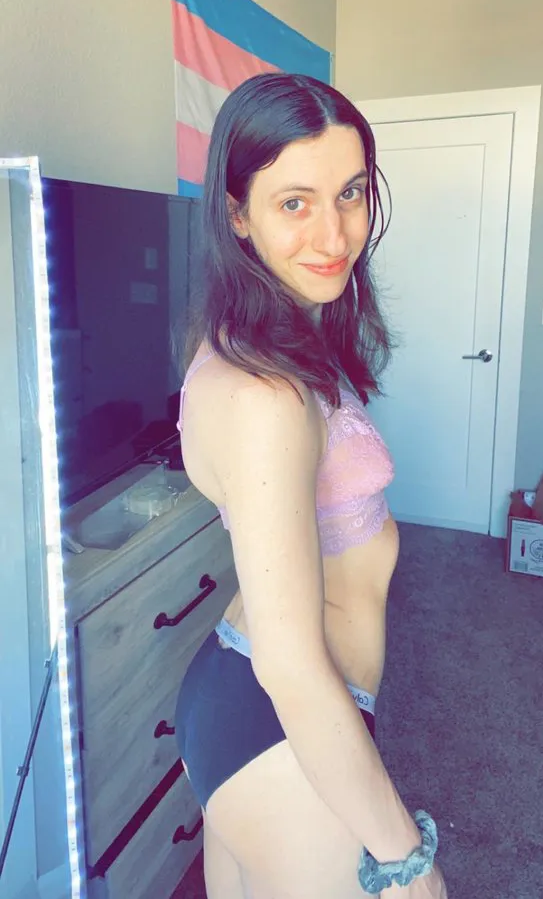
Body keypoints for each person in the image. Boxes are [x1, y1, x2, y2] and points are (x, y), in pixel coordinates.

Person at [173, 73, 447, 898]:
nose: (335, 233)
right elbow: (292, 664)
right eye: (295, 202)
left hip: (254, 695)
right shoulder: (266, 397)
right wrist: (405, 859)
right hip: (280, 715)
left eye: (351, 193)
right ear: (237, 213)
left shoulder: (256, 338)